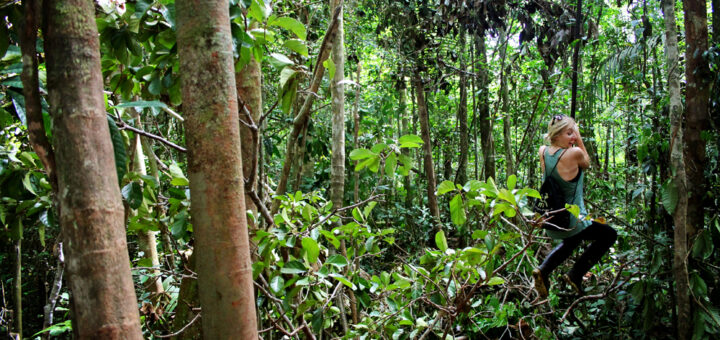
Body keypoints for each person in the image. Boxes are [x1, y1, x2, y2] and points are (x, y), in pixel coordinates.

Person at [532, 114, 617, 298]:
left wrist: (570, 133)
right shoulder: (574, 153)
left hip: (553, 221)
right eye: (568, 133)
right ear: (556, 135)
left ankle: (543, 270)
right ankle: (576, 274)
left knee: (572, 241)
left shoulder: (543, 151)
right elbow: (586, 163)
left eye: (573, 133)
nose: (573, 137)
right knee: (609, 235)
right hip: (572, 221)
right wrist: (578, 138)